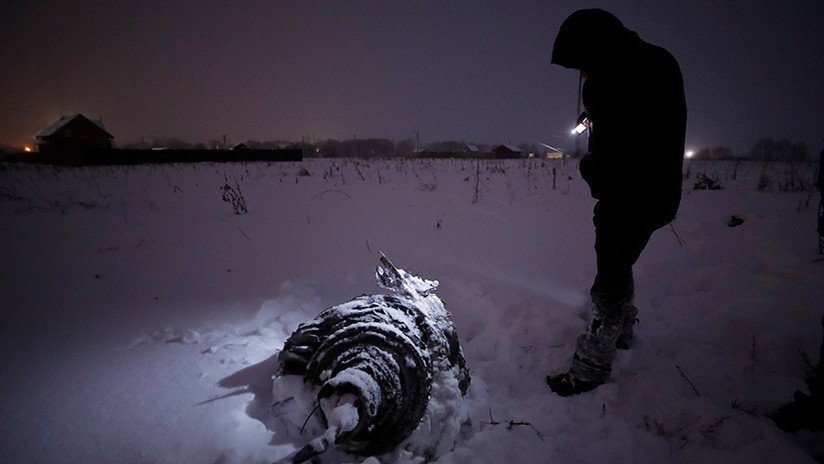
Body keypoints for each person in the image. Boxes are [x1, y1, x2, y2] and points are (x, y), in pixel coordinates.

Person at [546, 9, 687, 396]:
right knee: (621, 262)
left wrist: (590, 167)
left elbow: (614, 149)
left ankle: (590, 367)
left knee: (609, 276)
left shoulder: (607, 80)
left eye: (581, 64)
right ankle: (622, 331)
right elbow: (646, 118)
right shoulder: (659, 60)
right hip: (660, 192)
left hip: (625, 195)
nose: (581, 75)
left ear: (592, 50)